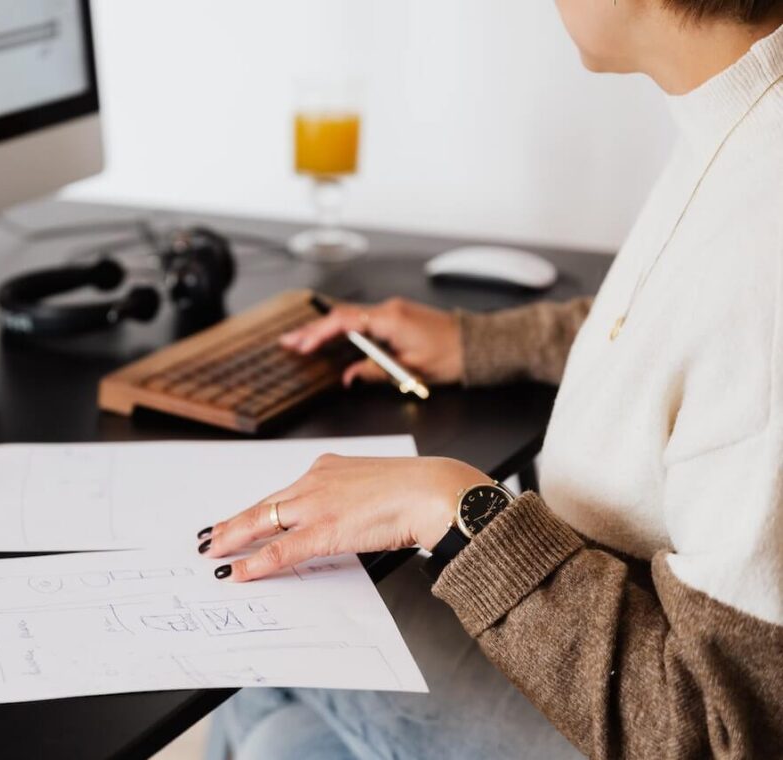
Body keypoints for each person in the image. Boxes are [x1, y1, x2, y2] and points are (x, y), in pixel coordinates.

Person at [201, 1, 783, 758]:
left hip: (655, 694)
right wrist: (478, 342)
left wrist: (453, 507)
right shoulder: (742, 116)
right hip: (604, 601)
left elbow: (721, 731)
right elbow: (695, 331)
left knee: (274, 631)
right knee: (280, 737)